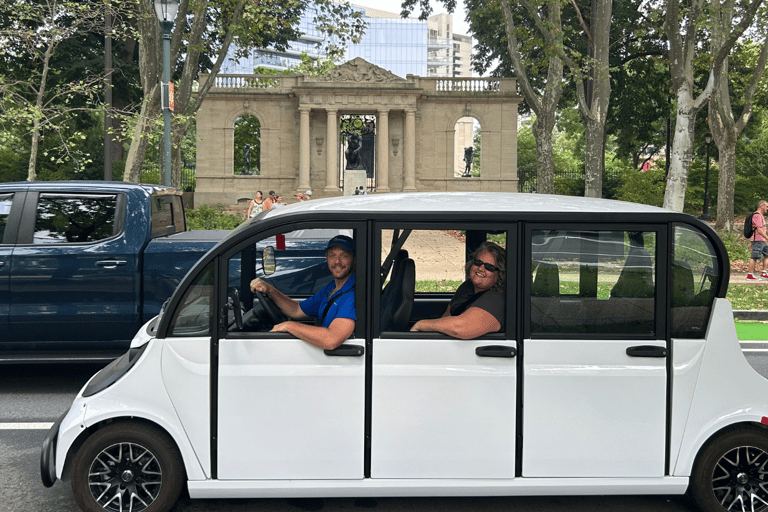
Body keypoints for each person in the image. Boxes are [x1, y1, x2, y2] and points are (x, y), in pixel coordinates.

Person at [250, 234, 356, 349]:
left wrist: (289, 326)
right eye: (332, 256)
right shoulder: (331, 288)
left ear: (354, 259)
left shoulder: (353, 294)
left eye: (344, 256)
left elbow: (331, 339)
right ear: (326, 257)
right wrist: (270, 290)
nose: (337, 261)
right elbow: (296, 310)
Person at [411, 241, 505, 338]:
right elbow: (448, 315)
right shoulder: (467, 287)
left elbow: (460, 327)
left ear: (500, 274)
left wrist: (421, 325)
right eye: (478, 262)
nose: (480, 268)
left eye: (489, 267)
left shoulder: (496, 299)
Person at [747, 200, 768, 280]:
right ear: (762, 206)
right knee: (754, 257)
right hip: (758, 240)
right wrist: (767, 237)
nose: (767, 208)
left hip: (762, 240)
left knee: (767, 255)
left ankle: (764, 273)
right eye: (766, 206)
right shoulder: (757, 215)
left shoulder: (761, 215)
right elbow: (758, 230)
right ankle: (750, 274)